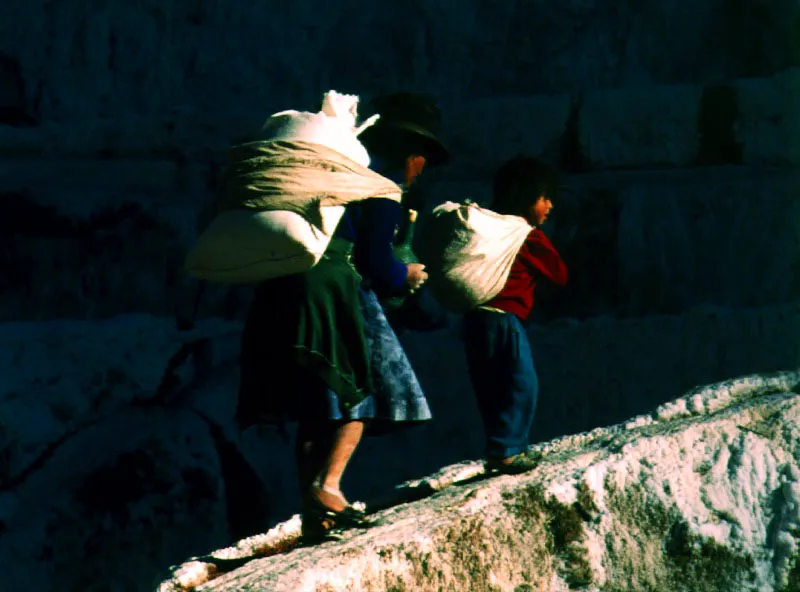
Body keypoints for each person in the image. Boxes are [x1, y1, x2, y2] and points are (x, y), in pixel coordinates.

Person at [237, 92, 449, 542]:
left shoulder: (336, 178)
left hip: (289, 284)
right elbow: (374, 261)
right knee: (364, 390)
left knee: (316, 401)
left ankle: (314, 511)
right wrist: (404, 275)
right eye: (421, 158)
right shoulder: (381, 188)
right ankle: (328, 487)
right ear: (411, 155)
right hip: (337, 287)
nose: (421, 168)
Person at [463, 156, 568, 475]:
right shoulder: (525, 236)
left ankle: (500, 446)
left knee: (492, 386)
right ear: (525, 198)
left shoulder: (488, 227)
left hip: (473, 319)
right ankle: (508, 448)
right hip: (503, 320)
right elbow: (559, 274)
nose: (549, 205)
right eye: (544, 197)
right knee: (522, 382)